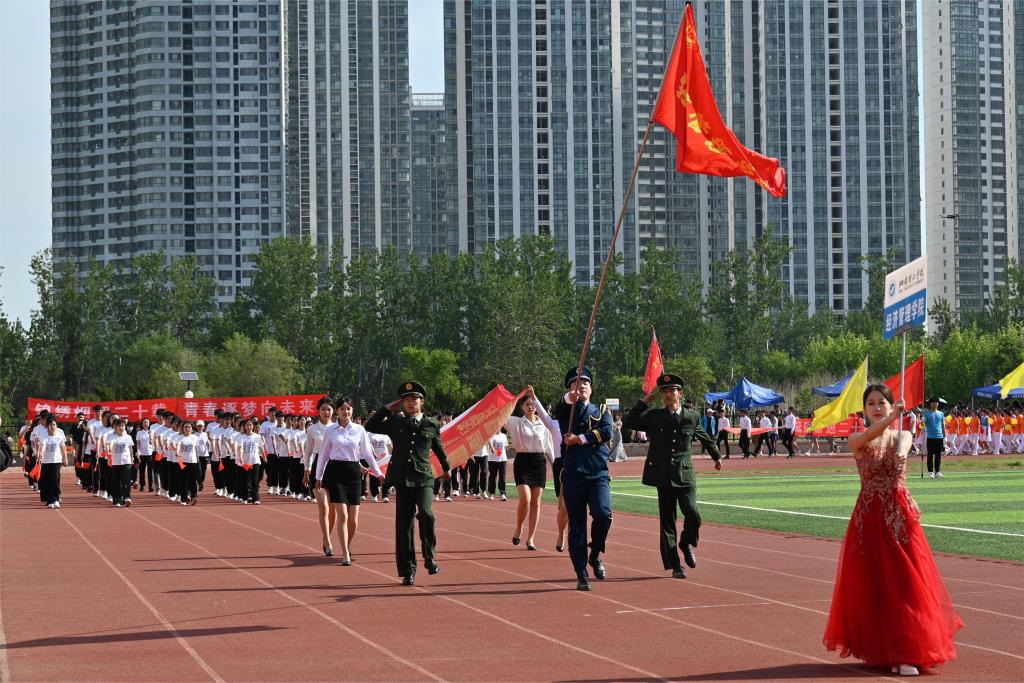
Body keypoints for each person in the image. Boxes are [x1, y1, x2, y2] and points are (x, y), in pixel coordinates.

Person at [823, 384, 963, 676]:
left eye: (882, 403)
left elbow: (904, 444)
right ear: (864, 410)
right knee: (876, 586)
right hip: (869, 518)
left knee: (906, 583)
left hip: (899, 517)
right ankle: (887, 650)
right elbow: (866, 439)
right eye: (871, 403)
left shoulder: (904, 435)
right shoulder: (857, 439)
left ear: (891, 405)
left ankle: (907, 651)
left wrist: (900, 451)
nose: (876, 407)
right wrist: (892, 417)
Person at [624, 374, 722, 579]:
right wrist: (644, 402)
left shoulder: (692, 417)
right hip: (663, 475)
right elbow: (630, 421)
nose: (668, 394)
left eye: (672, 391)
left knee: (693, 513)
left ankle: (686, 543)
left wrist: (716, 456)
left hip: (685, 474)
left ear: (680, 393)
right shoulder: (655, 417)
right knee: (667, 522)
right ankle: (675, 564)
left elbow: (704, 437)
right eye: (665, 391)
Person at [365, 381, 451, 586]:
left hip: (424, 477)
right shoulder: (395, 422)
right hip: (402, 478)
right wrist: (388, 408)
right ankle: (408, 570)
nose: (411, 402)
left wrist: (446, 467)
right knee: (404, 525)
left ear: (422, 402)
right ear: (401, 403)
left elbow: (438, 447)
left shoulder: (431, 424)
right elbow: (370, 426)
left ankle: (430, 558)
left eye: (415, 399)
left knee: (427, 514)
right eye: (406, 399)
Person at [555, 367, 614, 592]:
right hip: (573, 475)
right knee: (577, 525)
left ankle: (595, 553)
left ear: (591, 387)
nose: (581, 387)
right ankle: (581, 573)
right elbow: (560, 409)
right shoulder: (566, 411)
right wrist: (568, 399)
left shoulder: (602, 410)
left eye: (585, 383)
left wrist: (579, 439)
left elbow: (606, 432)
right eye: (576, 383)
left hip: (598, 473)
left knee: (603, 514)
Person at [315, 397, 384, 566]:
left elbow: (367, 454)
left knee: (354, 520)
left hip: (353, 473)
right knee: (343, 515)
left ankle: (347, 543)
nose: (346, 412)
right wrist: (319, 476)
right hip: (336, 472)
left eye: (349, 409)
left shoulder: (359, 429)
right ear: (337, 411)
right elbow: (323, 455)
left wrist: (378, 473)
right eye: (342, 409)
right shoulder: (330, 430)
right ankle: (345, 552)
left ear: (352, 410)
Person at [507, 386, 555, 550]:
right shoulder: (515, 422)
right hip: (523, 462)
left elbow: (548, 447)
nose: (531, 406)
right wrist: (515, 398)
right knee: (526, 499)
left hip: (539, 463)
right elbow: (501, 414)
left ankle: (531, 538)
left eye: (533, 403)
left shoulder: (544, 424)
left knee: (536, 502)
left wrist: (556, 467)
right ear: (522, 407)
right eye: (527, 404)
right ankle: (519, 527)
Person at [303, 397, 337, 555]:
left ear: (333, 411)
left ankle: (326, 536)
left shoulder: (337, 428)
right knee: (323, 506)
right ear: (318, 411)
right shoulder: (312, 429)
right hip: (318, 467)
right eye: (323, 409)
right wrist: (307, 470)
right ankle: (328, 542)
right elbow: (308, 451)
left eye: (329, 409)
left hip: (335, 466)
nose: (326, 412)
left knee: (333, 509)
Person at [37, 416, 68, 508]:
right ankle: (50, 500)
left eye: (54, 425)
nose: (52, 426)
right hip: (46, 462)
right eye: (51, 425)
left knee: (55, 480)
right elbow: (43, 446)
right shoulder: (44, 436)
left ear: (56, 426)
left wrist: (65, 458)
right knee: (47, 481)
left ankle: (56, 499)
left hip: (56, 461)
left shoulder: (59, 436)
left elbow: (63, 448)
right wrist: (40, 454)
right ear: (48, 426)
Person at [107, 419, 136, 507]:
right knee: (116, 481)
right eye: (119, 426)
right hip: (116, 462)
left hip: (126, 462)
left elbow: (130, 449)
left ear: (125, 427)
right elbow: (110, 444)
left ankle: (127, 498)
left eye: (122, 426)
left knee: (126, 481)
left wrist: (132, 458)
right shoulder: (112, 437)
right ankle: (117, 500)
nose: (121, 427)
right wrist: (109, 449)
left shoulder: (128, 437)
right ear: (115, 427)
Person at [922, 397, 946, 479]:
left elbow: (942, 425)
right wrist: (922, 421)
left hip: (939, 437)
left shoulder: (941, 414)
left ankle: (937, 471)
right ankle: (930, 472)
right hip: (930, 437)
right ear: (930, 404)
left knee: (938, 455)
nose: (934, 404)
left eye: (936, 402)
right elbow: (923, 425)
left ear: (938, 404)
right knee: (930, 455)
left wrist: (945, 436)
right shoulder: (927, 414)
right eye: (932, 402)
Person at [485, 429, 509, 501]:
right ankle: (491, 493)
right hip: (492, 459)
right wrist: (492, 448)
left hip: (503, 459)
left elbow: (505, 447)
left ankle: (503, 494)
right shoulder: (490, 435)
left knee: (502, 477)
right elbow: (489, 443)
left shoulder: (504, 436)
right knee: (492, 476)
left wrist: (504, 455)